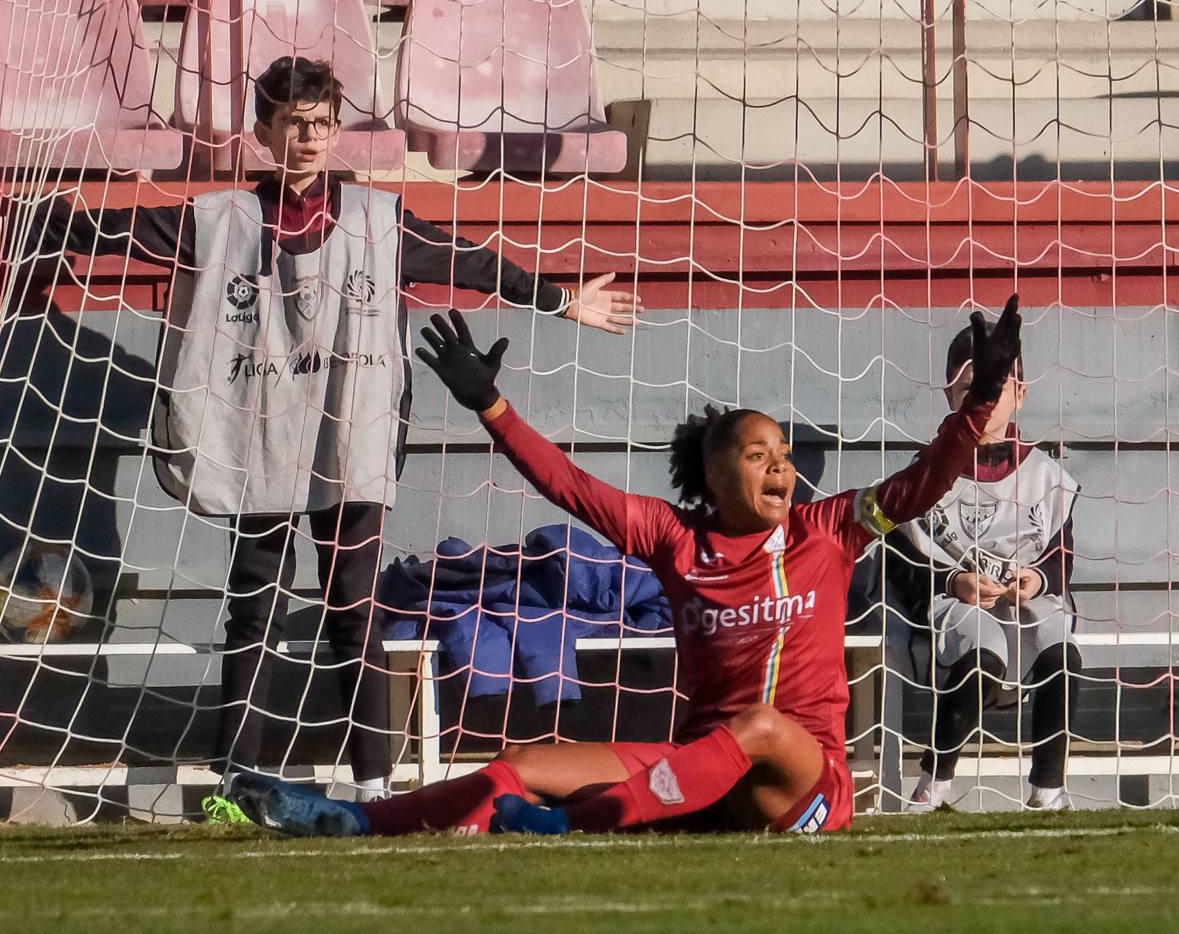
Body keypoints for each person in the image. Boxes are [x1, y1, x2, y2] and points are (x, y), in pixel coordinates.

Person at [0, 57, 640, 811]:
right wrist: (7, 223)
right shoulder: (220, 217)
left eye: (323, 124)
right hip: (259, 436)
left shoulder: (377, 218)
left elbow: (467, 261)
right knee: (253, 605)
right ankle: (237, 778)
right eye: (294, 123)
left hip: (349, 439)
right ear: (264, 129)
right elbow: (112, 230)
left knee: (353, 607)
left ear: (338, 130)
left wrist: (559, 299)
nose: (308, 137)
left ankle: (374, 784)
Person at [223, 297, 1026, 838]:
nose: (783, 468)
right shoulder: (674, 537)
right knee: (523, 765)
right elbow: (569, 485)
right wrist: (491, 407)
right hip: (698, 772)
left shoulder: (828, 530)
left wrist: (979, 403)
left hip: (806, 786)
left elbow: (923, 482)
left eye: (784, 455)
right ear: (716, 477)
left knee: (760, 728)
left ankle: (573, 829)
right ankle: (359, 820)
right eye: (760, 456)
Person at [888, 320, 1080, 813]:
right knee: (983, 653)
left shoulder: (1048, 476)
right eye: (973, 386)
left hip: (1025, 601)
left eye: (998, 386)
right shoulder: (924, 472)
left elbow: (1062, 557)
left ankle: (1048, 789)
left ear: (1021, 392)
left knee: (1060, 649)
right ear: (951, 393)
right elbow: (902, 560)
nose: (986, 398)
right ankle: (934, 783)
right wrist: (955, 580)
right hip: (955, 601)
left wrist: (1038, 579)